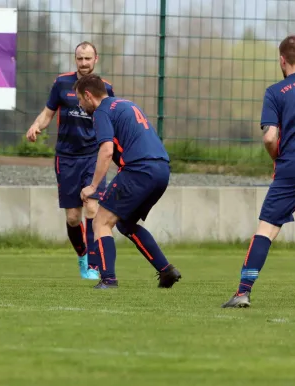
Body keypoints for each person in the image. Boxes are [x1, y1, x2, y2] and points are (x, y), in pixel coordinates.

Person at [222, 35, 295, 308]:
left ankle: (243, 292)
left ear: (282, 60)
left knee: (266, 230)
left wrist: (276, 155)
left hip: (291, 169)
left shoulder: (276, 91)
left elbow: (269, 137)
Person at [75, 73, 182, 289]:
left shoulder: (101, 112)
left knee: (101, 221)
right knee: (125, 223)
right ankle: (166, 270)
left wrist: (93, 187)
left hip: (139, 169)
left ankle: (108, 280)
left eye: (79, 99)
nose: (80, 104)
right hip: (161, 169)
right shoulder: (126, 104)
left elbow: (106, 151)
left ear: (88, 95)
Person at [26, 41, 114, 280]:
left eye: (88, 59)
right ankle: (83, 256)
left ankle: (94, 265)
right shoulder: (61, 83)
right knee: (73, 217)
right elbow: (47, 113)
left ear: (96, 59)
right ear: (75, 60)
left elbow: (112, 123)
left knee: (93, 208)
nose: (84, 63)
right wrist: (36, 126)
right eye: (80, 59)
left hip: (93, 157)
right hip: (66, 158)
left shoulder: (105, 88)